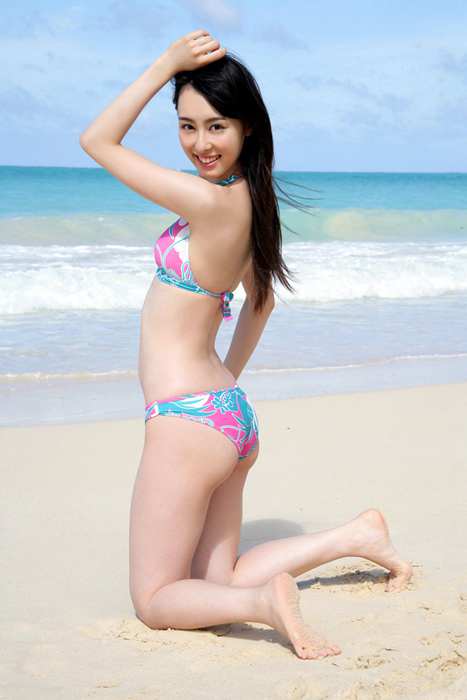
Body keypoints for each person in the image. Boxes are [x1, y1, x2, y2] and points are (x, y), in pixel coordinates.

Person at [79, 29, 413, 660]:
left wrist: (166, 65)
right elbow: (261, 301)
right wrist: (226, 382)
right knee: (218, 576)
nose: (200, 143)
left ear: (247, 127)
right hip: (226, 416)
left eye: (217, 126)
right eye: (187, 126)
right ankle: (356, 536)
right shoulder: (250, 200)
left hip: (187, 421)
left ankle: (263, 605)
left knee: (155, 598)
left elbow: (96, 140)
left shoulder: (207, 200)